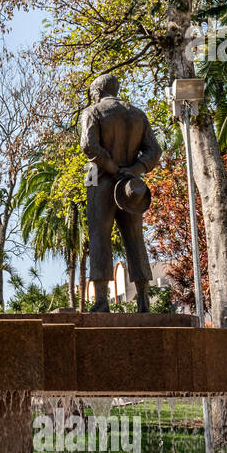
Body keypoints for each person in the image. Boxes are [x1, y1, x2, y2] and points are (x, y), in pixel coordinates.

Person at [80, 74, 162, 312]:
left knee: (99, 236)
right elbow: (154, 150)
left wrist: (114, 170)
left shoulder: (93, 112)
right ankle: (144, 300)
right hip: (131, 186)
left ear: (97, 91)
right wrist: (133, 170)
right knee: (136, 238)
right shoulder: (137, 114)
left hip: (101, 181)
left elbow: (88, 146)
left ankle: (102, 301)